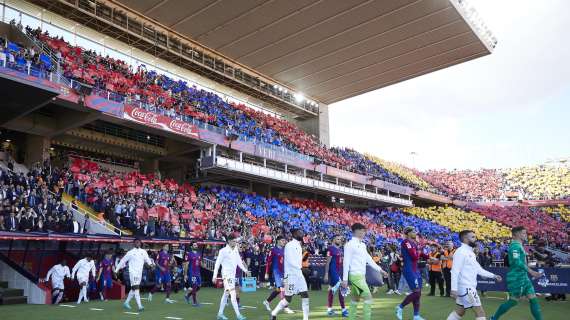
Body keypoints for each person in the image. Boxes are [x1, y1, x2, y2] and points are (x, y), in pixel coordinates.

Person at [446, 230, 502, 320]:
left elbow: (478, 269)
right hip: (466, 288)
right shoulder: (461, 252)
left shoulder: (470, 252)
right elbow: (454, 271)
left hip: (466, 287)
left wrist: (493, 276)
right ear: (465, 239)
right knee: (480, 312)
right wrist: (453, 289)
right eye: (472, 237)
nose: (475, 239)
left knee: (460, 311)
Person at [490, 226, 544, 320]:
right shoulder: (514, 246)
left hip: (524, 277)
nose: (526, 235)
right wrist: (531, 271)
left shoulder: (519, 245)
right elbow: (517, 261)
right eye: (524, 233)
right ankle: (494, 318)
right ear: (517, 234)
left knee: (533, 299)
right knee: (513, 301)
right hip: (516, 278)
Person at [341, 223, 387, 320]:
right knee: (368, 299)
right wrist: (345, 279)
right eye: (362, 230)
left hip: (361, 276)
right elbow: (346, 262)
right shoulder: (349, 245)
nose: (364, 232)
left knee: (355, 300)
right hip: (355, 277)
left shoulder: (362, 245)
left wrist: (380, 270)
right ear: (356, 231)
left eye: (364, 230)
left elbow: (369, 260)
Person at [270, 228, 310, 320]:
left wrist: (302, 268)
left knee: (305, 295)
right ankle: (274, 313)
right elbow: (291, 261)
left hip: (299, 275)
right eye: (300, 232)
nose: (302, 233)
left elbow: (298, 261)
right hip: (291, 276)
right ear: (295, 234)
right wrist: (302, 268)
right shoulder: (289, 245)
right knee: (288, 299)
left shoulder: (299, 245)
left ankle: (305, 318)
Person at [212, 233, 248, 320]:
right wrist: (214, 276)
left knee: (226, 294)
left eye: (236, 241)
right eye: (234, 241)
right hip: (226, 276)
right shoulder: (223, 251)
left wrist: (245, 270)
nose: (235, 243)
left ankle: (220, 314)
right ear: (229, 241)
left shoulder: (235, 249)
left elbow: (239, 261)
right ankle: (238, 315)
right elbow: (217, 264)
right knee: (233, 293)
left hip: (233, 275)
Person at [395, 227, 427, 320]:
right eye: (413, 231)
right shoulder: (406, 242)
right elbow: (414, 256)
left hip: (415, 270)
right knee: (416, 292)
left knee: (418, 293)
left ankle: (416, 316)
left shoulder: (414, 243)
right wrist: (419, 252)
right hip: (409, 270)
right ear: (408, 233)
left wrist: (428, 257)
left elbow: (419, 254)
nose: (415, 233)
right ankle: (400, 307)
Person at [116, 238, 154, 311]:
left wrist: (152, 265)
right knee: (136, 288)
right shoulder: (130, 252)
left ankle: (126, 302)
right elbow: (123, 261)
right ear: (133, 244)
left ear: (140, 243)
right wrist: (116, 270)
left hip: (140, 273)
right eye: (136, 242)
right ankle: (140, 306)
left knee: (134, 288)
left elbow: (148, 260)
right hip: (132, 273)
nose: (137, 243)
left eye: (138, 242)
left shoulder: (143, 252)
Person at [263, 235, 294, 314]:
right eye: (283, 240)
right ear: (278, 241)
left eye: (285, 241)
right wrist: (266, 273)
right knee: (283, 289)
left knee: (278, 290)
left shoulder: (285, 250)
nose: (284, 242)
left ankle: (267, 301)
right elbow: (268, 262)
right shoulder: (273, 250)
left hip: (284, 272)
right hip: (277, 272)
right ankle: (285, 307)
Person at [324, 234, 347, 317]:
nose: (339, 240)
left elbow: (340, 261)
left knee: (332, 290)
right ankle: (344, 310)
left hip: (338, 271)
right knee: (342, 288)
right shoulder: (330, 249)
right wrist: (326, 274)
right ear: (333, 240)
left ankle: (329, 310)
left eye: (340, 239)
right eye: (337, 239)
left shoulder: (339, 250)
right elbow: (327, 262)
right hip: (333, 272)